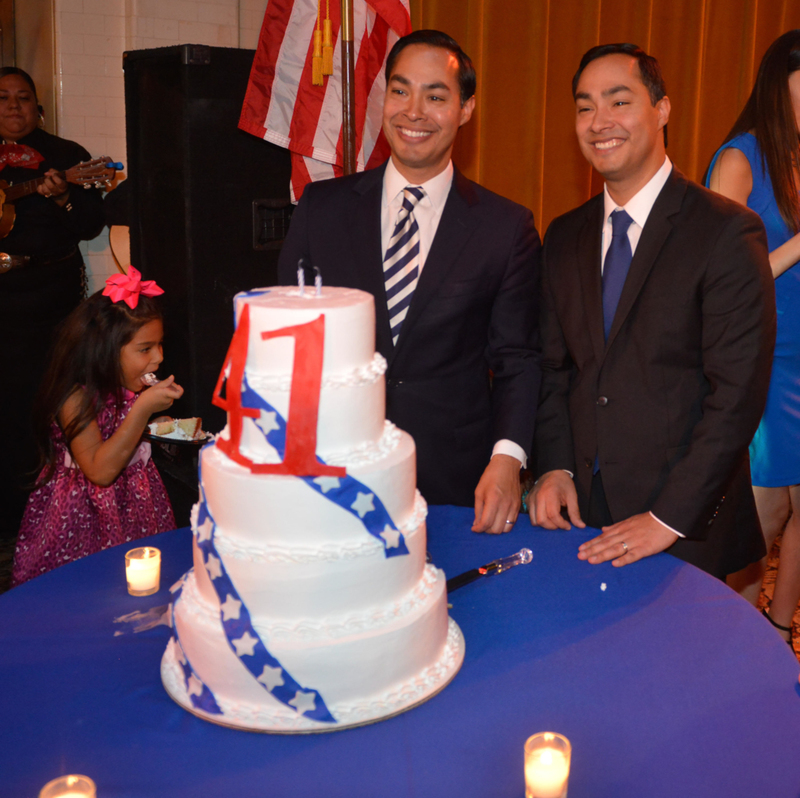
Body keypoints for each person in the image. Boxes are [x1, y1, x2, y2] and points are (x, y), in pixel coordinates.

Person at [277, 30, 541, 533]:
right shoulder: (321, 210)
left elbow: (518, 360)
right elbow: (290, 344)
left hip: (455, 480)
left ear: (466, 109)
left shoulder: (506, 229)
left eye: (435, 96)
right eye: (400, 91)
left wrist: (508, 460)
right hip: (335, 469)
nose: (413, 112)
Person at [530, 43, 776, 579]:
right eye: (585, 106)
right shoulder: (564, 234)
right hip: (582, 515)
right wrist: (553, 465)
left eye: (619, 102)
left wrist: (668, 517)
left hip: (681, 525)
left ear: (662, 109)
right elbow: (553, 370)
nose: (600, 122)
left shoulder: (725, 231)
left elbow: (737, 392)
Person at [706, 30, 800, 639]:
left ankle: (775, 627)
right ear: (779, 83)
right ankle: (709, 632)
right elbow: (719, 274)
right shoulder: (741, 158)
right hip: (767, 357)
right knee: (761, 517)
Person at [11, 269, 181, 586]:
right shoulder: (74, 397)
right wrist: (143, 410)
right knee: (90, 588)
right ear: (104, 349)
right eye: (145, 349)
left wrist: (158, 426)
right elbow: (100, 471)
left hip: (136, 505)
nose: (158, 358)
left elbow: (125, 435)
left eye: (160, 345)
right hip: (81, 516)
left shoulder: (130, 388)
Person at [0, 67, 105, 554]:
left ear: (38, 106)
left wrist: (65, 196)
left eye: (24, 98)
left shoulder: (66, 156)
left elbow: (89, 226)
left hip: (49, 298)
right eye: (3, 98)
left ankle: (45, 521)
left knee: (45, 407)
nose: (13, 106)